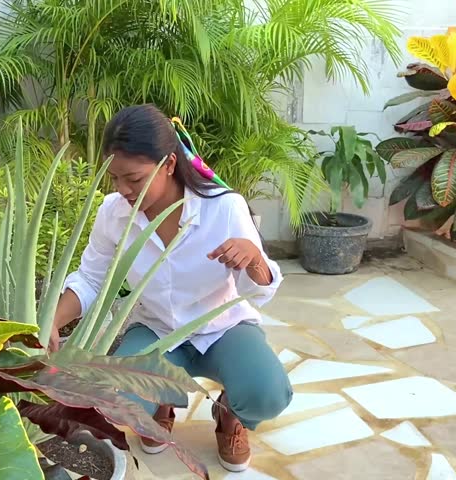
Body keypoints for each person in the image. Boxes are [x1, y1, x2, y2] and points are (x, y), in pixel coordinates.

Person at [50, 104, 292, 472]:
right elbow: (91, 279)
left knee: (267, 393)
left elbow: (257, 292)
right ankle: (161, 404)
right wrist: (52, 320)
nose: (123, 190)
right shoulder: (112, 213)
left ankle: (229, 413)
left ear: (169, 164)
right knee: (118, 401)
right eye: (115, 178)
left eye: (134, 178)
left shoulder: (223, 208)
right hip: (157, 328)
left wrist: (254, 259)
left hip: (221, 329)